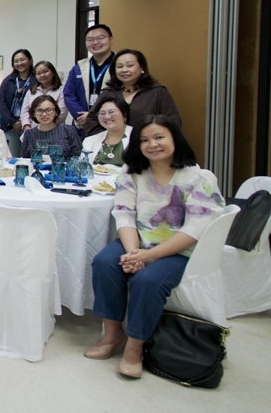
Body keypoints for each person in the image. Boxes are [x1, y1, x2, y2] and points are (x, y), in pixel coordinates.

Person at [85, 116, 224, 379]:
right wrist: (133, 253)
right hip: (139, 242)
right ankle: (113, 335)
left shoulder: (198, 177)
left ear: (174, 139)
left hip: (179, 250)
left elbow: (195, 229)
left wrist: (149, 256)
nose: (152, 144)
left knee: (147, 280)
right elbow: (124, 214)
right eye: (145, 140)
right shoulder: (132, 173)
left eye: (159, 137)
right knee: (104, 262)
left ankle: (135, 347)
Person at [83, 49, 182, 137]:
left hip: (147, 147)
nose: (124, 70)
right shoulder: (108, 92)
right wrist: (109, 139)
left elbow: (173, 122)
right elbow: (91, 121)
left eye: (130, 65)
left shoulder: (157, 91)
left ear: (142, 68)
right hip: (113, 149)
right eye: (119, 66)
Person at [65, 24, 115, 135]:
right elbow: (69, 94)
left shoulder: (120, 65)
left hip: (111, 125)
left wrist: (93, 115)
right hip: (83, 126)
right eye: (90, 39)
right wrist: (81, 116)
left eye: (100, 38)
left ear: (111, 40)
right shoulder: (79, 67)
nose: (95, 42)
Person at [0, 49, 34, 158]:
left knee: (29, 158)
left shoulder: (36, 80)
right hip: (10, 126)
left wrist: (24, 121)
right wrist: (13, 121)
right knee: (11, 158)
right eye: (16, 61)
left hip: (30, 126)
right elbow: (2, 103)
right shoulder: (8, 81)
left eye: (22, 60)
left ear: (30, 60)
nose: (19, 63)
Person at [82, 98, 132, 167]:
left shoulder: (138, 136)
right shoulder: (89, 141)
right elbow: (82, 169)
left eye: (111, 112)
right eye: (102, 113)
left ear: (124, 114)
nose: (107, 116)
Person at [20, 60, 68, 129]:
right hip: (32, 130)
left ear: (53, 73)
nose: (42, 75)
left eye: (45, 72)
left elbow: (61, 114)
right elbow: (24, 112)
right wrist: (27, 127)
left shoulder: (62, 90)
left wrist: (44, 127)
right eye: (38, 73)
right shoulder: (31, 91)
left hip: (55, 130)